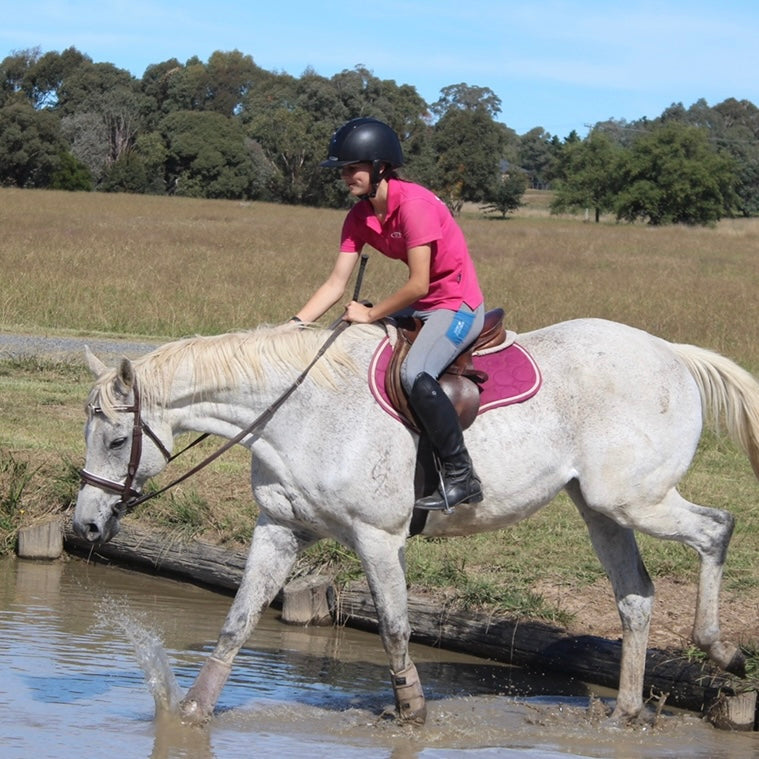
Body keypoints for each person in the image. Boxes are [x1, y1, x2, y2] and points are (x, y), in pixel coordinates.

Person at [292, 117, 485, 512]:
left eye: (352, 168)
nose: (345, 177)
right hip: (423, 303)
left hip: (457, 304)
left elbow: (418, 283)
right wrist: (293, 327)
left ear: (379, 166)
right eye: (342, 170)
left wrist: (371, 313)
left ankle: (462, 475)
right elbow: (335, 285)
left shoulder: (414, 207)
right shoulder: (358, 217)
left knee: (414, 373)